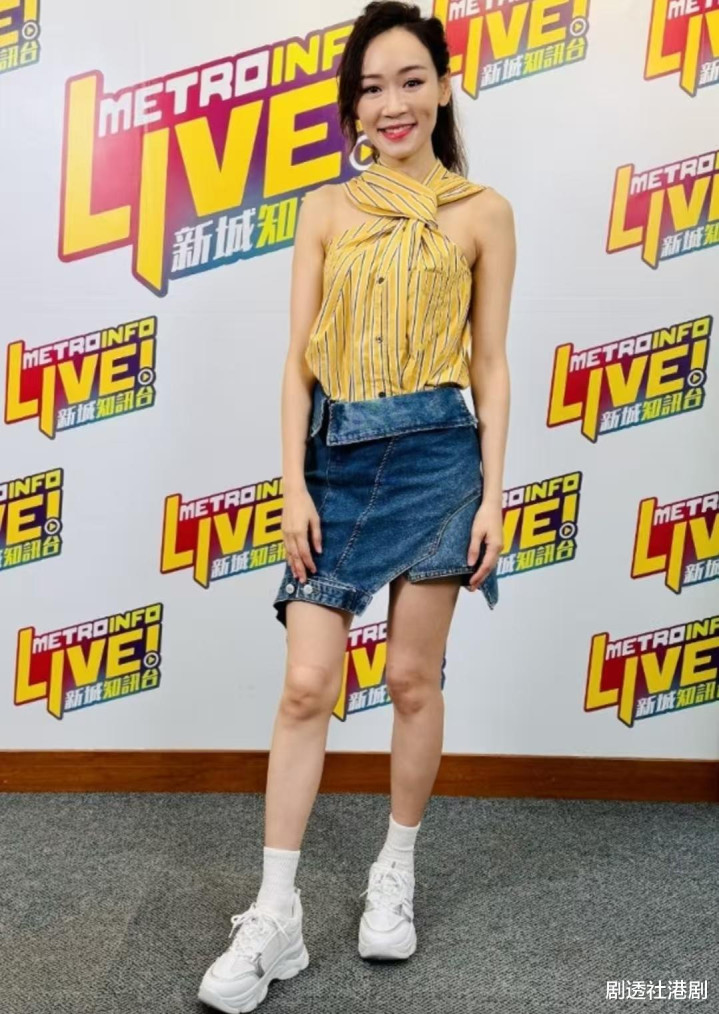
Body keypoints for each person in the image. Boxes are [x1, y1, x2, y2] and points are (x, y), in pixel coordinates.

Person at [198, 1, 515, 1010]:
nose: (392, 103)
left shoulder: (482, 212)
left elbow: (490, 365)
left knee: (412, 683)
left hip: (439, 462)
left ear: (443, 88)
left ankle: (394, 873)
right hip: (334, 462)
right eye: (371, 88)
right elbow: (297, 364)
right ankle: (275, 915)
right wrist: (292, 483)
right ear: (352, 110)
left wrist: (491, 494)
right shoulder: (325, 211)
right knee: (305, 684)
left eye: (410, 80)